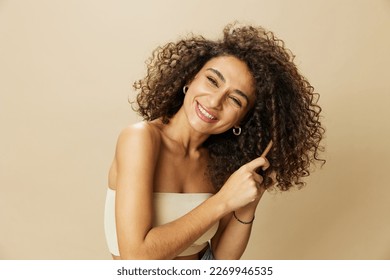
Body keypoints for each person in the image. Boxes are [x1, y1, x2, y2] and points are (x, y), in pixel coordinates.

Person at [104, 22, 325, 260]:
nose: (214, 102)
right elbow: (136, 258)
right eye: (212, 81)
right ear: (191, 77)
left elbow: (221, 258)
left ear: (242, 119)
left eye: (235, 100)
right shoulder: (140, 138)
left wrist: (247, 205)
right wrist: (223, 200)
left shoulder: (219, 162)